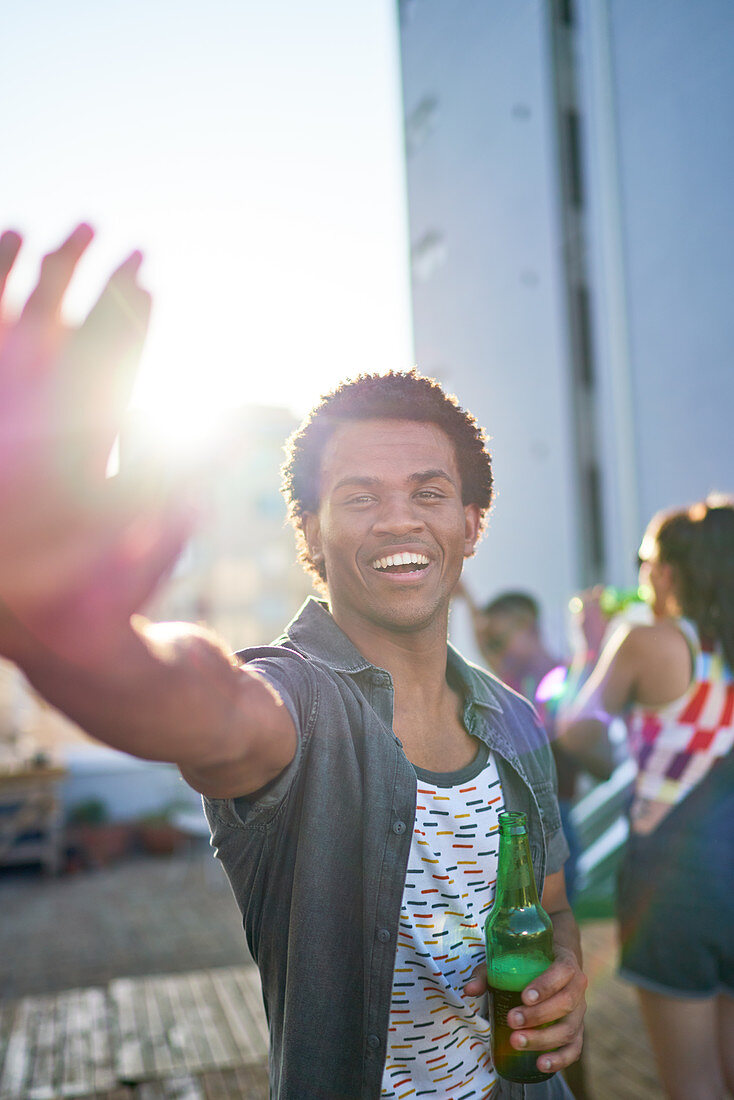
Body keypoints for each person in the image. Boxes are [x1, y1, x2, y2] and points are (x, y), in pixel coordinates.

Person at [0, 225, 586, 1098]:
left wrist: (567, 981)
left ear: (471, 524)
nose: (398, 521)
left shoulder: (516, 719)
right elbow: (199, 701)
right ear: (309, 531)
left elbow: (555, 904)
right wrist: (67, 626)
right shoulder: (293, 703)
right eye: (358, 497)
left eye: (429, 493)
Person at [558, 498, 734, 1100]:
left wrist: (588, 647)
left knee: (694, 1084)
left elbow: (577, 731)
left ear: (667, 571)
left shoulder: (649, 640)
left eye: (645, 560)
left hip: (675, 887)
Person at [457, 587, 591, 1100]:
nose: (496, 643)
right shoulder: (499, 679)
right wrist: (468, 602)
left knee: (558, 970)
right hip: (522, 825)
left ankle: (574, 1078)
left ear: (528, 628)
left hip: (555, 823)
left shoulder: (552, 673)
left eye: (504, 632)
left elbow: (576, 727)